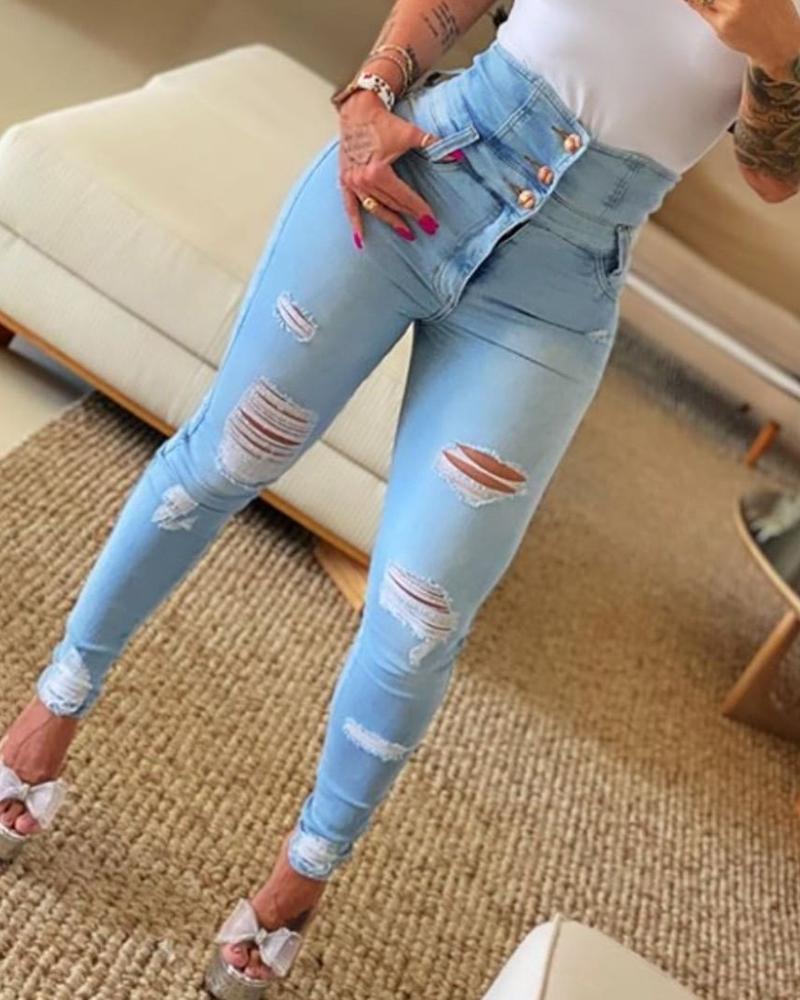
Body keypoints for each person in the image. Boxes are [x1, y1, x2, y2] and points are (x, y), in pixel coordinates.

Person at [1, 0, 798, 995]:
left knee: (422, 617)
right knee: (222, 461)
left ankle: (299, 881)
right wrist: (368, 97)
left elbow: (771, 174)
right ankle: (45, 719)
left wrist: (778, 52)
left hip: (562, 288)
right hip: (427, 165)